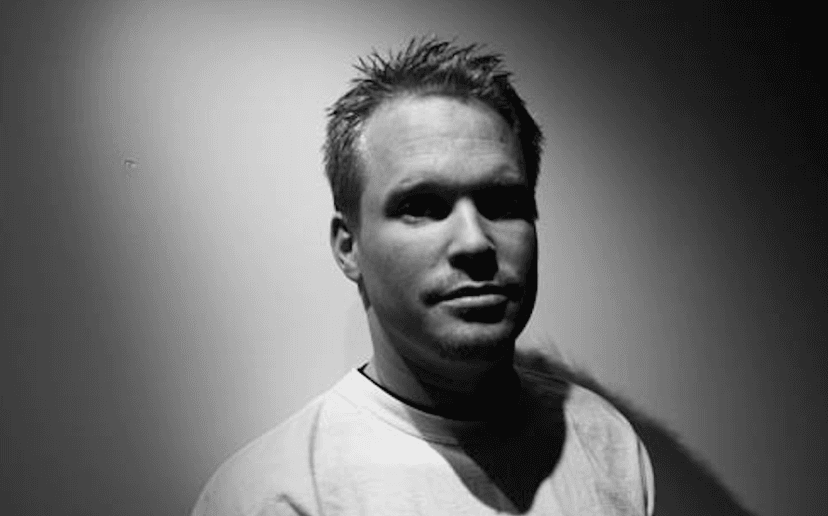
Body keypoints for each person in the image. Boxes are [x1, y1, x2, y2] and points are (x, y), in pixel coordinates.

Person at [191, 37, 654, 516]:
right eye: (422, 207)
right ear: (348, 247)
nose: (475, 242)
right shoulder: (272, 496)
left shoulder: (606, 444)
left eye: (503, 204)